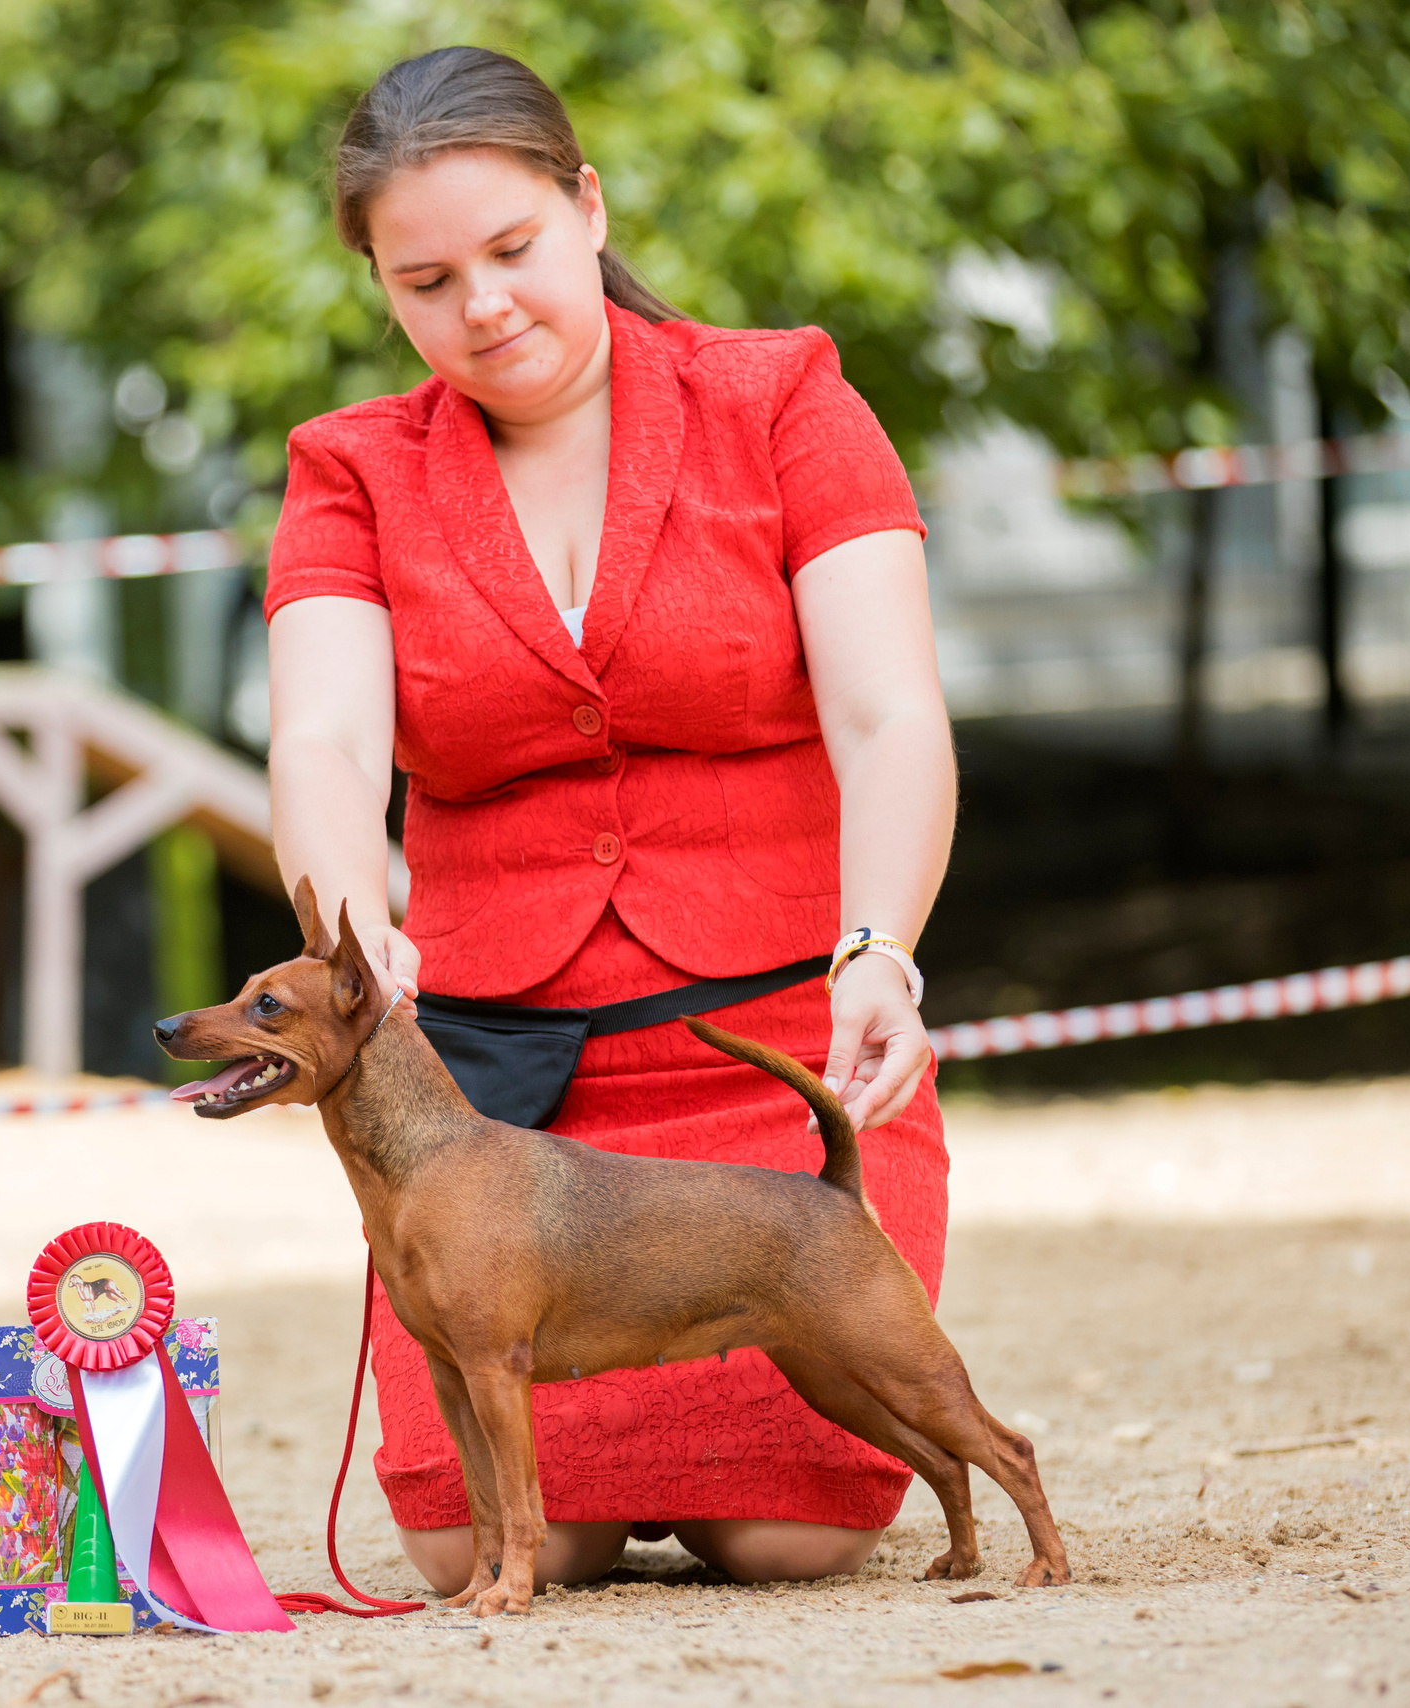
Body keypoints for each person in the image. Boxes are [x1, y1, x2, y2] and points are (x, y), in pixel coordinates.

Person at [265, 46, 956, 1592]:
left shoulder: (784, 396)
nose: (483, 306)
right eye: (427, 280)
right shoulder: (348, 469)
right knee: (475, 1543)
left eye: (513, 249)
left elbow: (890, 715)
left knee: (787, 1534)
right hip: (495, 1115)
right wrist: (356, 926)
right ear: (380, 285)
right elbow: (322, 736)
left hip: (773, 1078)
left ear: (588, 205)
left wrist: (881, 950)